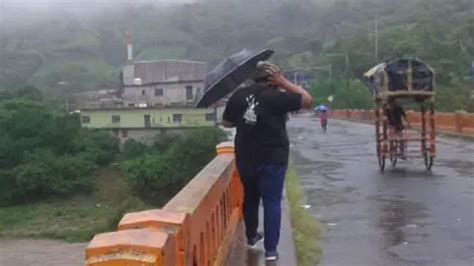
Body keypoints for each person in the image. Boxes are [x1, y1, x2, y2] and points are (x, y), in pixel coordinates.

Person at [222, 62, 312, 261]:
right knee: (272, 201)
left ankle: (252, 237)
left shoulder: (239, 96)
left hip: (246, 157)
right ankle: (271, 251)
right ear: (272, 79)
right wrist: (285, 82)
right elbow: (307, 100)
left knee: (251, 197)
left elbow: (226, 122)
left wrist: (246, 119)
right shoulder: (276, 97)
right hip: (273, 157)